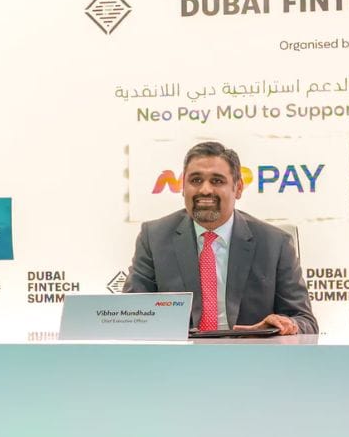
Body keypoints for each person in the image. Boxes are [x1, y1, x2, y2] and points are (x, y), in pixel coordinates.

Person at [124, 141, 317, 335]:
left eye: (217, 181)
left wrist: (282, 326)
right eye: (196, 180)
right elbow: (130, 315)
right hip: (179, 352)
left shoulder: (275, 243)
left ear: (238, 188)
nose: (205, 190)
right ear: (182, 187)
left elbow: (305, 321)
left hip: (250, 351)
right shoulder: (154, 238)